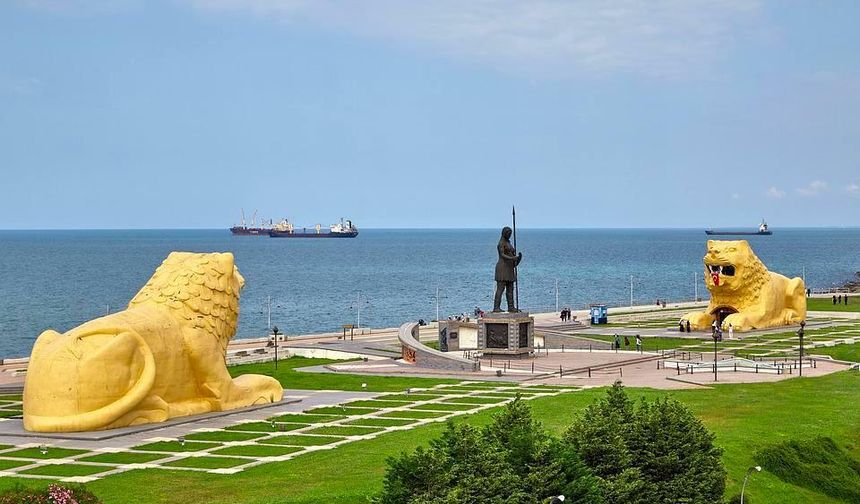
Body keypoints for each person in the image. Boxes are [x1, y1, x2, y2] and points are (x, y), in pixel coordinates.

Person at [492, 226, 522, 312]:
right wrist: (512, 258)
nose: (509, 235)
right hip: (502, 268)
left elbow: (513, 257)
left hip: (509, 268)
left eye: (510, 234)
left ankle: (511, 307)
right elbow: (502, 255)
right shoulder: (501, 243)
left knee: (510, 289)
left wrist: (518, 258)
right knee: (500, 289)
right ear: (504, 233)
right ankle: (496, 307)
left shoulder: (508, 242)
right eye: (508, 234)